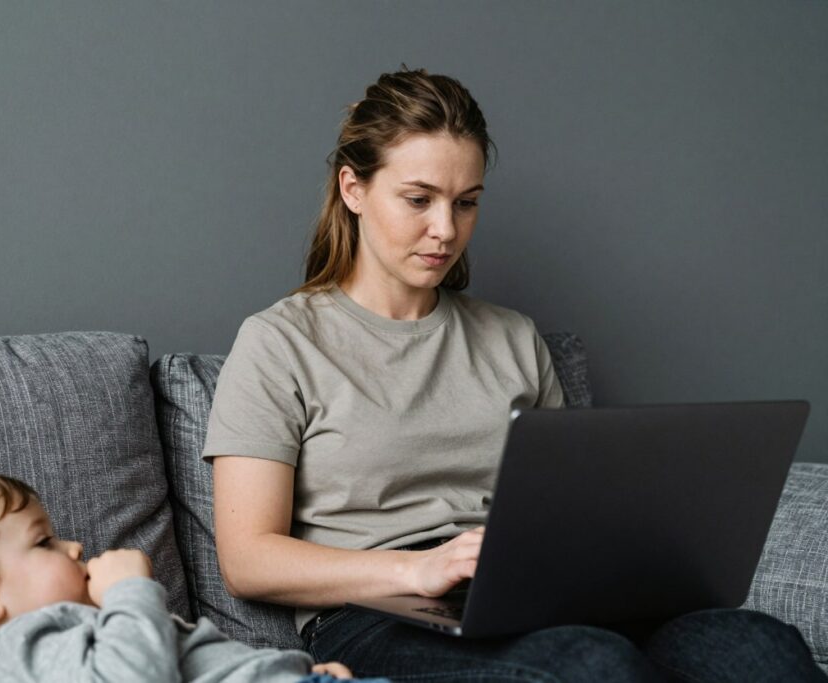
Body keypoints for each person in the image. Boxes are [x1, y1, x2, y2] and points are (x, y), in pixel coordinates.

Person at [202, 67, 827, 682]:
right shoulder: (281, 342)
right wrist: (416, 569)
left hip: (526, 594)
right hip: (375, 612)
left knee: (759, 646)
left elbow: (571, 511)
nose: (446, 230)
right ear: (353, 189)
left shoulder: (514, 339)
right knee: (589, 664)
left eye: (466, 202)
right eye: (418, 200)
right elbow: (247, 559)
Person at [0, 474, 386, 683]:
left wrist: (293, 670)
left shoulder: (75, 632)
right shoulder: (22, 649)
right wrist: (129, 592)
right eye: (44, 543)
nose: (74, 547)